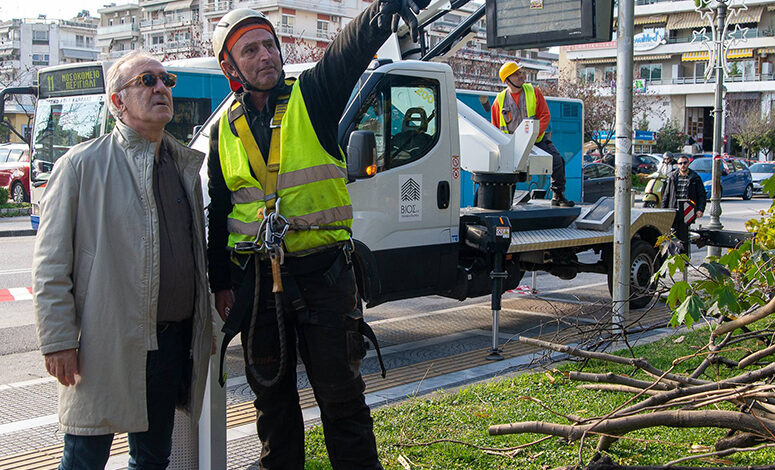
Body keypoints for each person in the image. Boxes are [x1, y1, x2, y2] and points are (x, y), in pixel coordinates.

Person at [206, 1, 429, 468]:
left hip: (323, 277)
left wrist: (382, 10)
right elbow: (221, 208)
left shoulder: (312, 94)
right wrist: (221, 282)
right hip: (259, 283)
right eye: (251, 50)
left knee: (341, 401)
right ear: (230, 67)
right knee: (272, 406)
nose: (266, 56)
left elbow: (348, 51)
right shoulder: (223, 128)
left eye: (270, 45)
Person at [32, 51, 213, 470]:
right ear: (118, 101)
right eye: (147, 80)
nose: (162, 88)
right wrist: (58, 340)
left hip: (170, 342)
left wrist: (204, 320)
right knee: (84, 459)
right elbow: (50, 265)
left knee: (152, 459)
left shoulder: (182, 164)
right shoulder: (80, 166)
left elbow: (192, 255)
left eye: (166, 80)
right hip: (104, 343)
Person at [491, 61, 574, 207]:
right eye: (516, 74)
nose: (521, 76)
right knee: (509, 171)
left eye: (520, 72)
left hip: (537, 141)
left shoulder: (534, 92)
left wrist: (532, 136)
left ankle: (558, 195)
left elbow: (545, 116)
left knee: (557, 161)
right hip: (513, 146)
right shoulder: (499, 100)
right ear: (507, 80)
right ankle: (507, 201)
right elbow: (495, 128)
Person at [662, 155, 706, 253]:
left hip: (687, 210)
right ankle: (673, 257)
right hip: (673, 209)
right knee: (672, 236)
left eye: (685, 163)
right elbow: (666, 195)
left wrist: (700, 209)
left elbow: (701, 195)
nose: (683, 165)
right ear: (677, 165)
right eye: (680, 163)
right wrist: (663, 210)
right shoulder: (672, 177)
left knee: (684, 237)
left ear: (688, 163)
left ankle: (684, 258)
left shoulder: (695, 178)